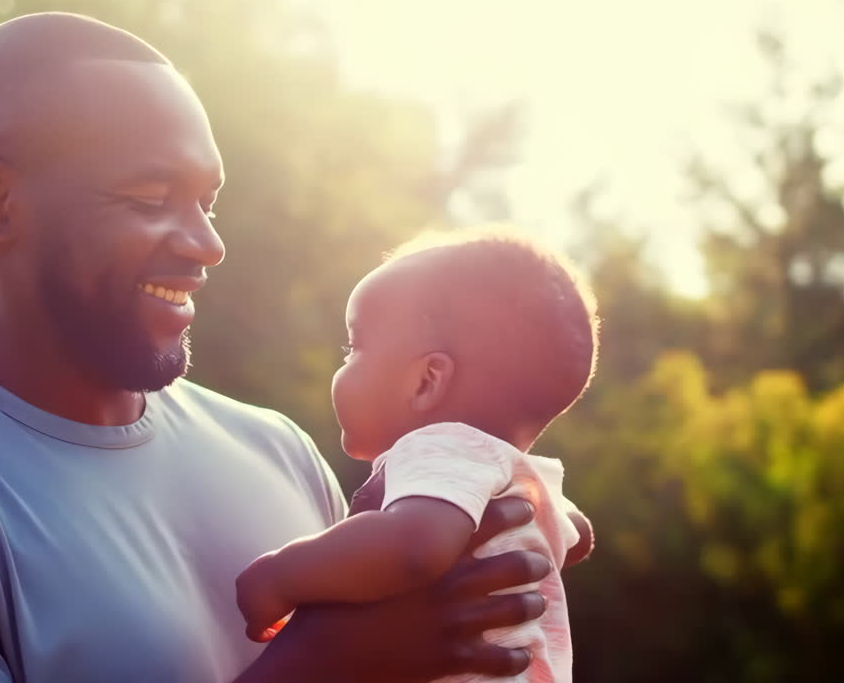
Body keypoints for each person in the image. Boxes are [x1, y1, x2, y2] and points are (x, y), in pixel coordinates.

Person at [0, 12, 556, 683]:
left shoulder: (276, 449)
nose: (208, 244)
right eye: (152, 199)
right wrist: (327, 664)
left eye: (206, 202)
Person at [235, 229, 599, 682]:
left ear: (427, 381)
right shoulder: (514, 475)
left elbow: (415, 547)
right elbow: (579, 536)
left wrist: (280, 572)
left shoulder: (438, 447)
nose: (344, 363)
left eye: (353, 348)